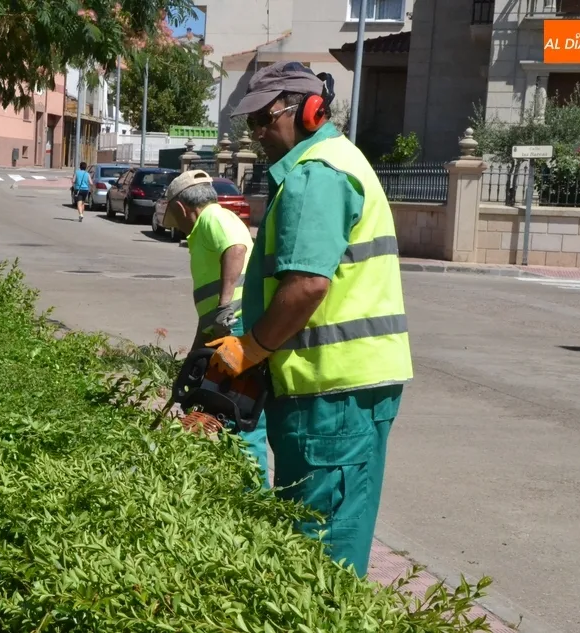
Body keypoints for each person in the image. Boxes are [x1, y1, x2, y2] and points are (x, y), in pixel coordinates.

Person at [207, 61, 414, 577]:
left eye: (265, 118)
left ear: (310, 111)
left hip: (331, 397)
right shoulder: (334, 162)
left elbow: (306, 286)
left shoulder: (316, 174)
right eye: (251, 121)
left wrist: (249, 349)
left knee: (317, 555)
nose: (257, 132)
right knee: (320, 541)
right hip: (338, 392)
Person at [162, 169, 270, 489]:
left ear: (181, 208)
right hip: (227, 329)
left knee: (238, 413)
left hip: (237, 328)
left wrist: (224, 308)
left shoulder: (213, 218)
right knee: (224, 413)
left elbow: (236, 248)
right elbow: (208, 313)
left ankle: (253, 497)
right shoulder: (206, 229)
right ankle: (240, 489)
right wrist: (196, 354)